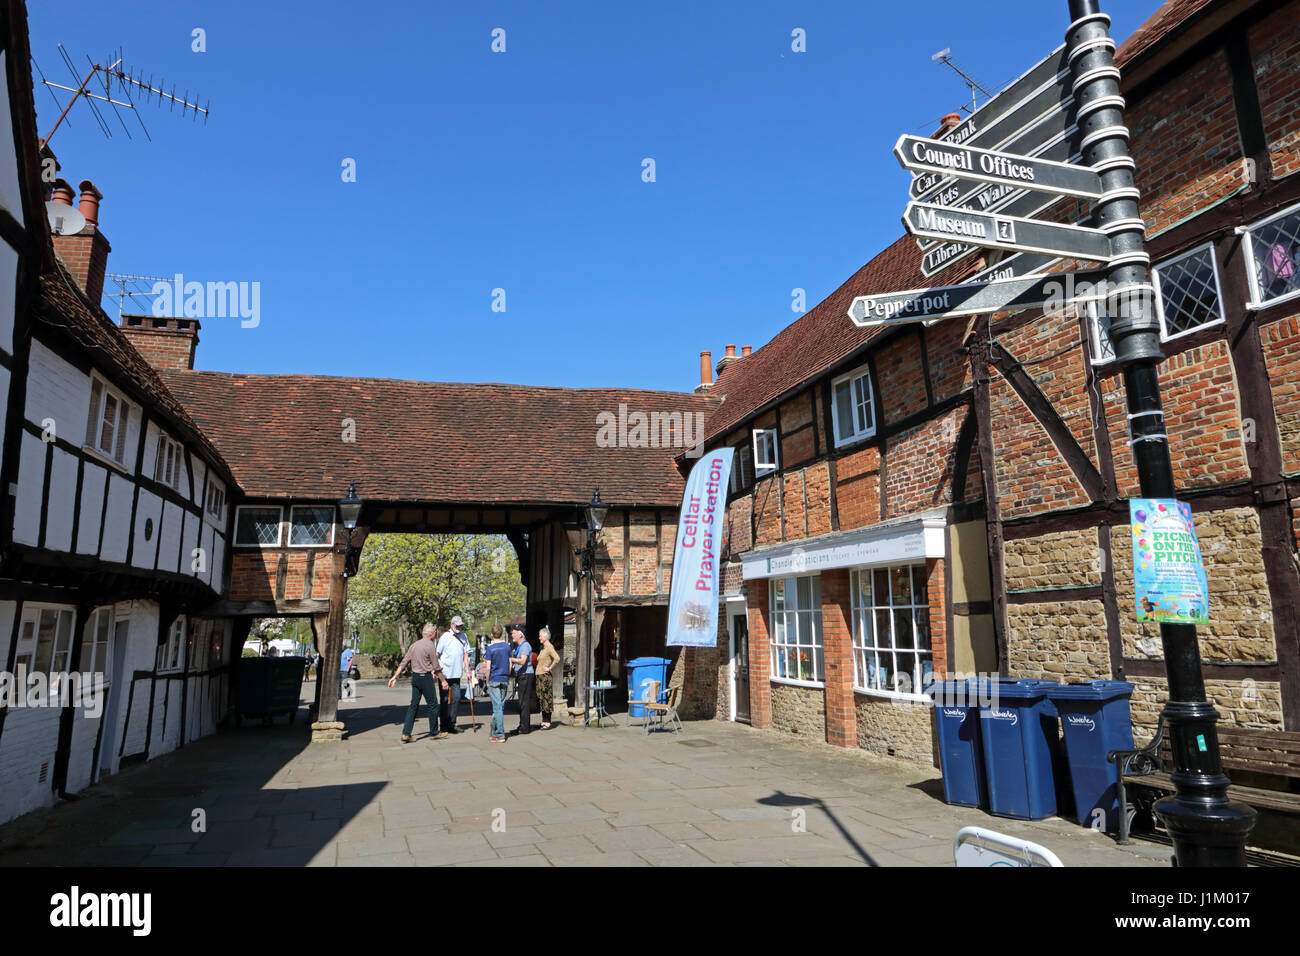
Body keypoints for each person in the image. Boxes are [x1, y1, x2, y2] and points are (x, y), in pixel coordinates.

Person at [388, 623, 451, 742]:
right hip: (426, 678)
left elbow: (403, 662)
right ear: (432, 634)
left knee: (413, 705)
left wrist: (394, 677)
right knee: (433, 705)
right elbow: (436, 667)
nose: (436, 634)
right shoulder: (430, 646)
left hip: (416, 678)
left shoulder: (414, 645)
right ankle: (434, 732)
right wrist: (443, 681)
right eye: (435, 632)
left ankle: (406, 733)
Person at [435, 617, 470, 734]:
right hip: (444, 674)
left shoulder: (464, 636)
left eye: (460, 625)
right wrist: (434, 669)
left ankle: (452, 723)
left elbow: (466, 655)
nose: (459, 627)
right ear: (451, 625)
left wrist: (467, 670)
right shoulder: (445, 637)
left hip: (456, 674)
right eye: (457, 625)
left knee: (456, 698)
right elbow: (437, 653)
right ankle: (443, 725)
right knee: (444, 700)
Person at [484, 625, 512, 742]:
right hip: (504, 678)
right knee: (500, 707)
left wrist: (487, 680)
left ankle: (500, 734)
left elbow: (488, 667)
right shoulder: (507, 647)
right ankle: (493, 733)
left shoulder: (490, 649)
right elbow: (510, 664)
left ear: (492, 635)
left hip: (494, 679)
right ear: (501, 634)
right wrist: (507, 675)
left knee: (497, 708)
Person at [510, 624, 535, 736]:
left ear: (520, 635)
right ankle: (522, 725)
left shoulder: (525, 646)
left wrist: (511, 659)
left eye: (514, 633)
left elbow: (523, 661)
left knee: (524, 702)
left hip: (525, 676)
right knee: (522, 702)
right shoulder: (520, 646)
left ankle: (525, 728)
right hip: (521, 675)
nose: (512, 635)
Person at [534, 627, 560, 729]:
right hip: (539, 675)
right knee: (541, 698)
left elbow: (557, 658)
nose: (539, 637)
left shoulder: (549, 647)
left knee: (546, 698)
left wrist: (549, 668)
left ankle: (548, 721)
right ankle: (544, 720)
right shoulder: (543, 648)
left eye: (540, 636)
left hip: (545, 676)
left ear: (545, 636)